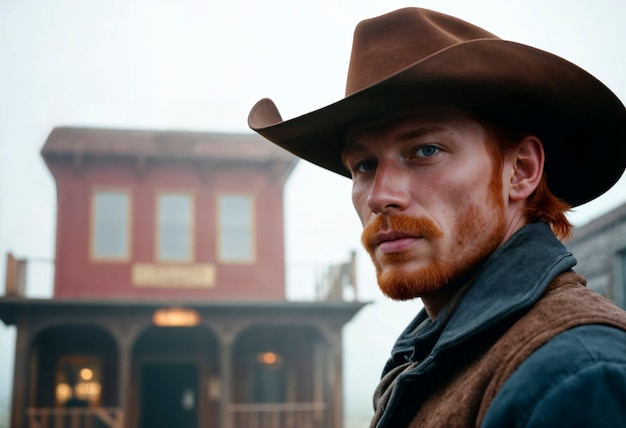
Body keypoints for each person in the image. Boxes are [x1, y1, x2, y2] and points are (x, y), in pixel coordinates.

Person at [248, 7, 626, 427]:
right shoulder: (430, 357)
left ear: (520, 170)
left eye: (425, 150)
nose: (380, 196)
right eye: (364, 165)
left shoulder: (576, 377)